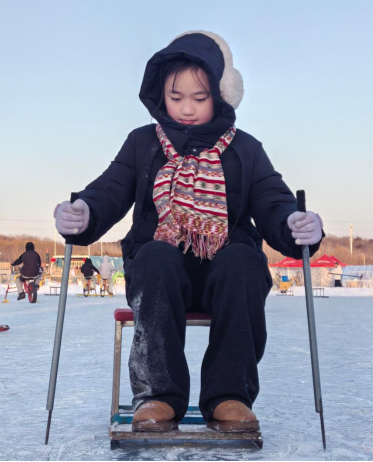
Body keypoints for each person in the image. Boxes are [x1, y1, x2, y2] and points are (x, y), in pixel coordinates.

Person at [55, 31, 324, 433]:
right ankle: (159, 396)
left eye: (199, 98)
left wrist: (294, 223)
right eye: (175, 97)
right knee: (154, 257)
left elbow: (273, 202)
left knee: (243, 261)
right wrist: (84, 211)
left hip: (226, 267)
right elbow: (109, 189)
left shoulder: (246, 148)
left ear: (221, 94)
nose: (186, 108)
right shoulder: (143, 143)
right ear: (159, 93)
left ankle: (230, 396)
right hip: (160, 270)